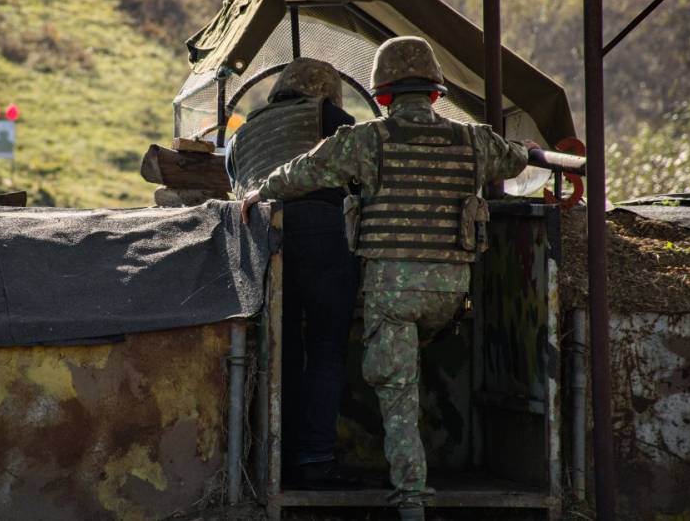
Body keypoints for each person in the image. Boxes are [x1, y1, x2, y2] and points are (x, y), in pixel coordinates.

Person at [240, 37, 538, 520]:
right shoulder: (475, 140)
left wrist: (261, 190)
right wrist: (529, 150)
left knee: (397, 390)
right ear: (436, 93)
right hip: (451, 295)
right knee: (410, 364)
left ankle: (411, 498)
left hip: (392, 293)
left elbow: (304, 171)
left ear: (381, 95)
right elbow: (515, 158)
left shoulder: (366, 140)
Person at [226, 57, 361, 490]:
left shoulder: (242, 133)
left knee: (278, 351)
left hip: (262, 238)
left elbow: (236, 186)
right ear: (328, 90)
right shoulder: (330, 117)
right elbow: (362, 176)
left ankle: (275, 461)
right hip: (320, 228)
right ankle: (316, 461)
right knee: (325, 348)